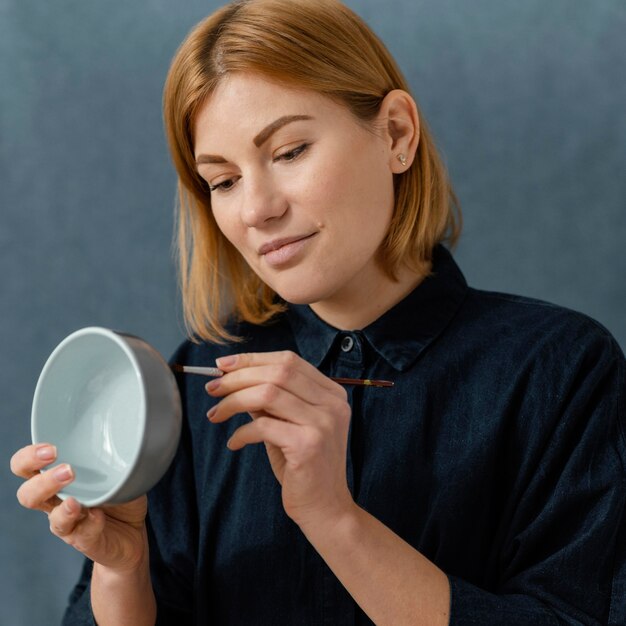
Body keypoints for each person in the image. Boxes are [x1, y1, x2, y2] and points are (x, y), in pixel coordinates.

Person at [10, 0, 626, 624]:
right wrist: (122, 569)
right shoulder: (196, 378)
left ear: (396, 135)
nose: (256, 210)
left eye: (289, 150)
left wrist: (334, 519)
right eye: (222, 181)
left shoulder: (559, 369)